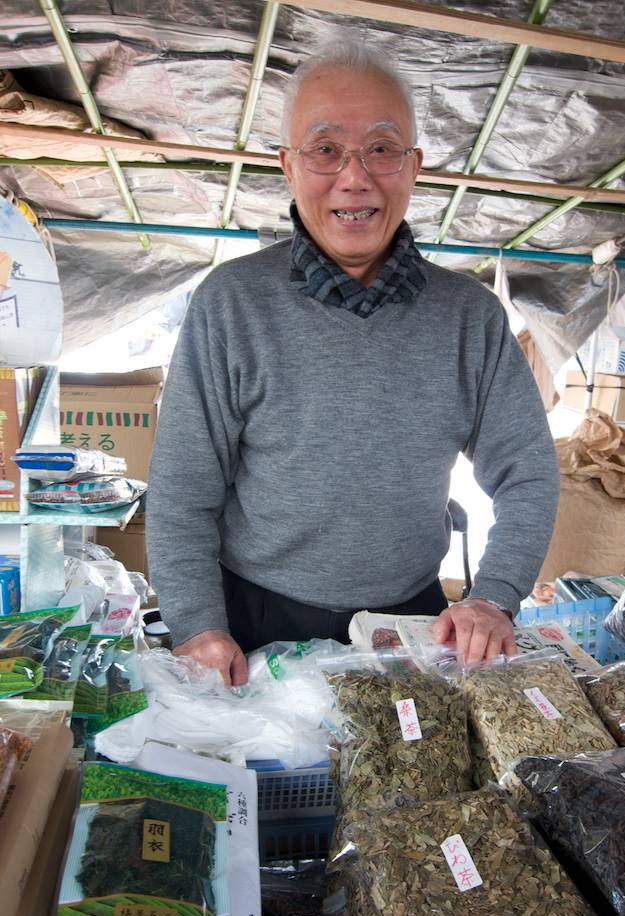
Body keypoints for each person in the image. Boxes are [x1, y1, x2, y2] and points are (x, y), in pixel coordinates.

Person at [146, 39, 559, 685]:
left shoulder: (470, 316)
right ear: (288, 165)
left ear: (414, 165)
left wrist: (493, 595)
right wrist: (199, 625)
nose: (355, 176)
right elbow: (182, 492)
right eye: (325, 149)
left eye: (382, 148)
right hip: (252, 620)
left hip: (412, 623)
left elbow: (528, 473)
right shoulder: (231, 303)